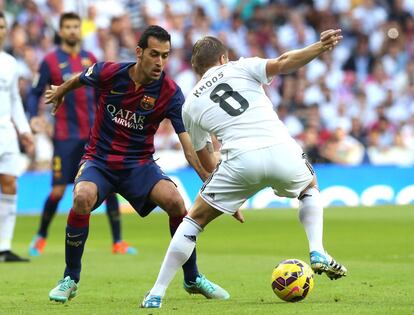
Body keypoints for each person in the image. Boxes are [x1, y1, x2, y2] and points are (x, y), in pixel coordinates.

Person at [142, 30, 348, 308]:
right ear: (223, 57)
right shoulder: (241, 66)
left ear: (196, 69)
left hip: (239, 160)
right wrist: (319, 47)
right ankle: (317, 250)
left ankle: (156, 293)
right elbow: (285, 61)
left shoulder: (189, 104)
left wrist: (227, 194)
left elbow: (205, 156)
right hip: (281, 148)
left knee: (193, 221)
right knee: (309, 187)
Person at [46, 25, 228, 303]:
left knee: (177, 203)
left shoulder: (170, 92)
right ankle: (70, 277)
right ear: (139, 52)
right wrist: (60, 91)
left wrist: (210, 180)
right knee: (82, 197)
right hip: (100, 160)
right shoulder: (111, 72)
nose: (159, 62)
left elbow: (189, 148)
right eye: (154, 54)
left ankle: (192, 278)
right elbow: (81, 78)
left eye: (165, 56)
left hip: (139, 165)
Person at [27, 12, 136, 256]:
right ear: (61, 30)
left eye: (77, 26)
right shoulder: (50, 61)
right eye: (68, 27)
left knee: (108, 188)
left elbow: (102, 93)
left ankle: (118, 242)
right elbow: (35, 92)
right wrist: (34, 116)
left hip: (93, 137)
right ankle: (41, 237)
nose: (73, 31)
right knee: (57, 191)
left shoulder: (90, 58)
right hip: (64, 137)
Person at [0, 11, 34, 262]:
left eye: (2, 26)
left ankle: (4, 245)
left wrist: (24, 131)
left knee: (10, 183)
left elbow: (14, 101)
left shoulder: (10, 63)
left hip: (6, 131)